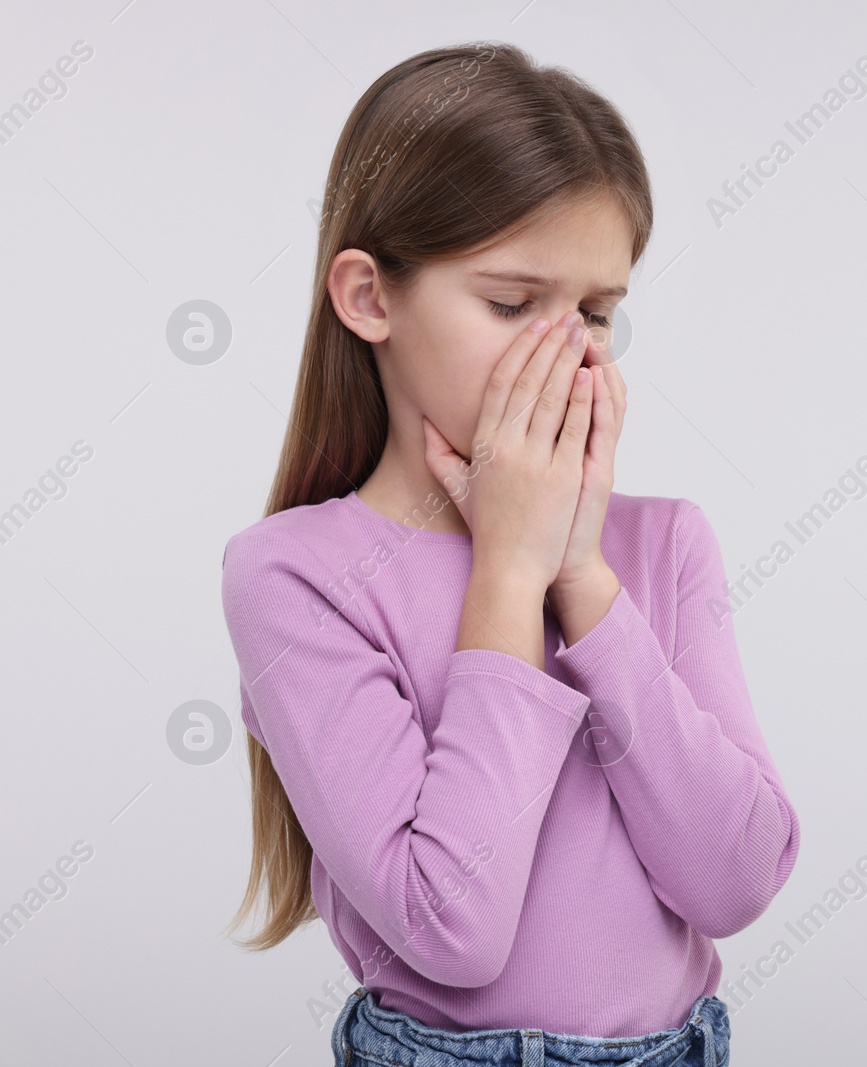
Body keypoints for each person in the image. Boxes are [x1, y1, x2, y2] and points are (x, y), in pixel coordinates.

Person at [218, 41, 800, 1067]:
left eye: (596, 313)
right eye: (510, 303)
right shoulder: (293, 574)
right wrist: (507, 570)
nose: (565, 351)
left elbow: (737, 880)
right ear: (369, 298)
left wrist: (582, 578)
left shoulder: (663, 543)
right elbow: (454, 925)